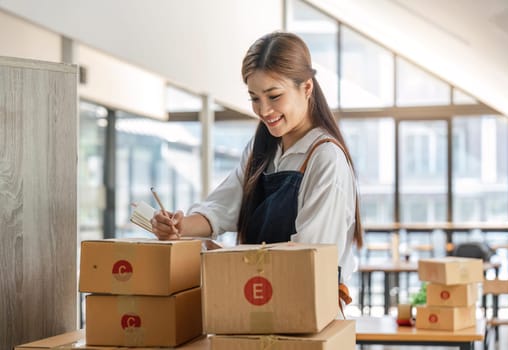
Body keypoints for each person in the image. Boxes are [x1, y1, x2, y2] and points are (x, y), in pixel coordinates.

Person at [151, 31, 363, 286]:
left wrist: (226, 258)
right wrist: (178, 226)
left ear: (306, 87)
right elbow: (222, 208)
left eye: (274, 96)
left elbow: (308, 256)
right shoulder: (261, 150)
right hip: (260, 297)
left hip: (305, 305)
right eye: (254, 98)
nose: (263, 110)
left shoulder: (326, 158)